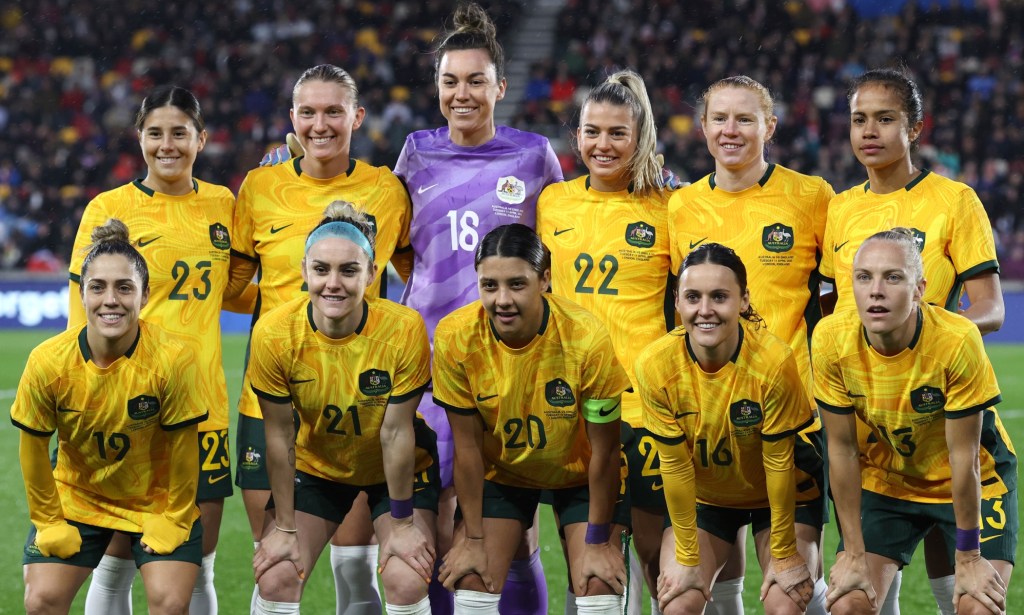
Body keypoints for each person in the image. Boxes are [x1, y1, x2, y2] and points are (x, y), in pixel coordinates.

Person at [394, 3, 563, 612]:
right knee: (443, 523)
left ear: (500, 87)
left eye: (474, 81)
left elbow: (558, 250)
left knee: (511, 532)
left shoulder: (534, 156)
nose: (461, 93)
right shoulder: (415, 154)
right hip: (435, 366)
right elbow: (398, 249)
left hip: (511, 368)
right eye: (449, 81)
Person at [821, 68, 1006, 614]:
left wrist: (937, 349)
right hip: (874, 424)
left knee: (964, 591)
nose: (869, 132)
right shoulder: (839, 207)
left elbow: (991, 304)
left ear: (916, 127)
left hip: (943, 406)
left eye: (885, 119)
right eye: (859, 120)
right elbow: (835, 311)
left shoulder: (954, 200)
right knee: (862, 593)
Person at [232, 64, 413, 614]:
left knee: (355, 567)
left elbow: (416, 272)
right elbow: (233, 285)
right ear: (292, 119)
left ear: (356, 117)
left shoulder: (385, 189)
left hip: (358, 400)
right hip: (271, 399)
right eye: (307, 112)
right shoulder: (260, 186)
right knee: (277, 560)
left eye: (334, 111)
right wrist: (276, 320)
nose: (320, 124)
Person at [66, 85, 244, 615]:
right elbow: (84, 309)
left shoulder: (222, 203)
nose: (167, 145)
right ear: (139, 138)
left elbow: (230, 287)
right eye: (155, 133)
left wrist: (297, 291)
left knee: (196, 568)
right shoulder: (110, 208)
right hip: (128, 408)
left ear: (201, 139)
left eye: (180, 133)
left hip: (201, 405)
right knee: (116, 562)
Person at [667, 75, 833, 615]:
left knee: (791, 591)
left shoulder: (812, 196)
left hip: (793, 423)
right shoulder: (682, 207)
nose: (730, 130)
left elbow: (833, 304)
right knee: (679, 591)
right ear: (704, 128)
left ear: (770, 127)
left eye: (744, 118)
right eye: (720, 118)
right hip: (708, 422)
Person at [813, 229, 1016, 615]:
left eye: (892, 277)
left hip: (973, 477)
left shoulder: (956, 340)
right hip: (888, 479)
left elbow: (964, 457)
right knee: (847, 605)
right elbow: (841, 449)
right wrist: (853, 552)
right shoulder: (830, 340)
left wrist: (970, 557)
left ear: (919, 288)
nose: (876, 290)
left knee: (980, 607)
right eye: (863, 277)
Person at [249, 202, 437, 615]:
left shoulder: (403, 329)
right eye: (321, 270)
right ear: (304, 271)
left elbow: (395, 433)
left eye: (349, 271)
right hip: (319, 466)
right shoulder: (275, 334)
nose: (333, 283)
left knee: (406, 576)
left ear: (371, 274)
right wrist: (282, 527)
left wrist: (403, 523)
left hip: (397, 471)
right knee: (278, 573)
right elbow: (279, 435)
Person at [432, 223, 632, 614]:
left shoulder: (586, 338)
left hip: (582, 477)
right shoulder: (456, 337)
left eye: (517, 284)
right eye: (489, 285)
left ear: (545, 279)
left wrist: (596, 543)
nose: (501, 299)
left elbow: (606, 454)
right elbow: (468, 449)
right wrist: (472, 538)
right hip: (504, 476)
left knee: (598, 584)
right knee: (474, 578)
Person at [15, 219, 206, 615]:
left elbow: (187, 449)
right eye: (98, 287)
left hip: (157, 497)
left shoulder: (174, 358)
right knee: (41, 601)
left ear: (145, 295)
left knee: (171, 603)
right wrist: (49, 521)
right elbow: (33, 449)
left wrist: (175, 515)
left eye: (125, 287)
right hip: (78, 493)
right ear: (81, 293)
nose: (110, 300)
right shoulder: (48, 361)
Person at [536, 68, 673, 613]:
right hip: (573, 411)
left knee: (658, 561)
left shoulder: (670, 206)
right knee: (590, 562)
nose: (603, 144)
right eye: (593, 131)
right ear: (577, 138)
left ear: (639, 138)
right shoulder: (553, 204)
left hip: (647, 408)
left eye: (618, 133)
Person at [637, 243, 816, 615]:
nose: (705, 310)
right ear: (677, 302)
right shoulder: (655, 365)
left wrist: (783, 555)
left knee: (787, 601)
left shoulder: (773, 360)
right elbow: (675, 467)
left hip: (779, 493)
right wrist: (687, 559)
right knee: (678, 602)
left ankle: (818, 594)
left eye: (719, 296)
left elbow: (779, 464)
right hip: (710, 495)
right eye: (693, 297)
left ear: (744, 300)